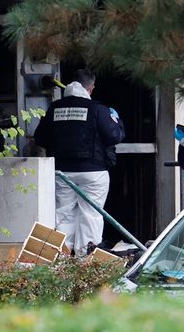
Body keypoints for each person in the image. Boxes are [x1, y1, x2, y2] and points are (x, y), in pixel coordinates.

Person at [33, 69, 125, 255]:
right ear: (91, 89)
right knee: (90, 215)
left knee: (63, 215)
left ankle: (62, 259)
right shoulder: (98, 110)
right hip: (93, 173)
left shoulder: (54, 108)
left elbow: (40, 138)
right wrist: (116, 119)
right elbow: (115, 136)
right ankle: (85, 261)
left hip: (62, 173)